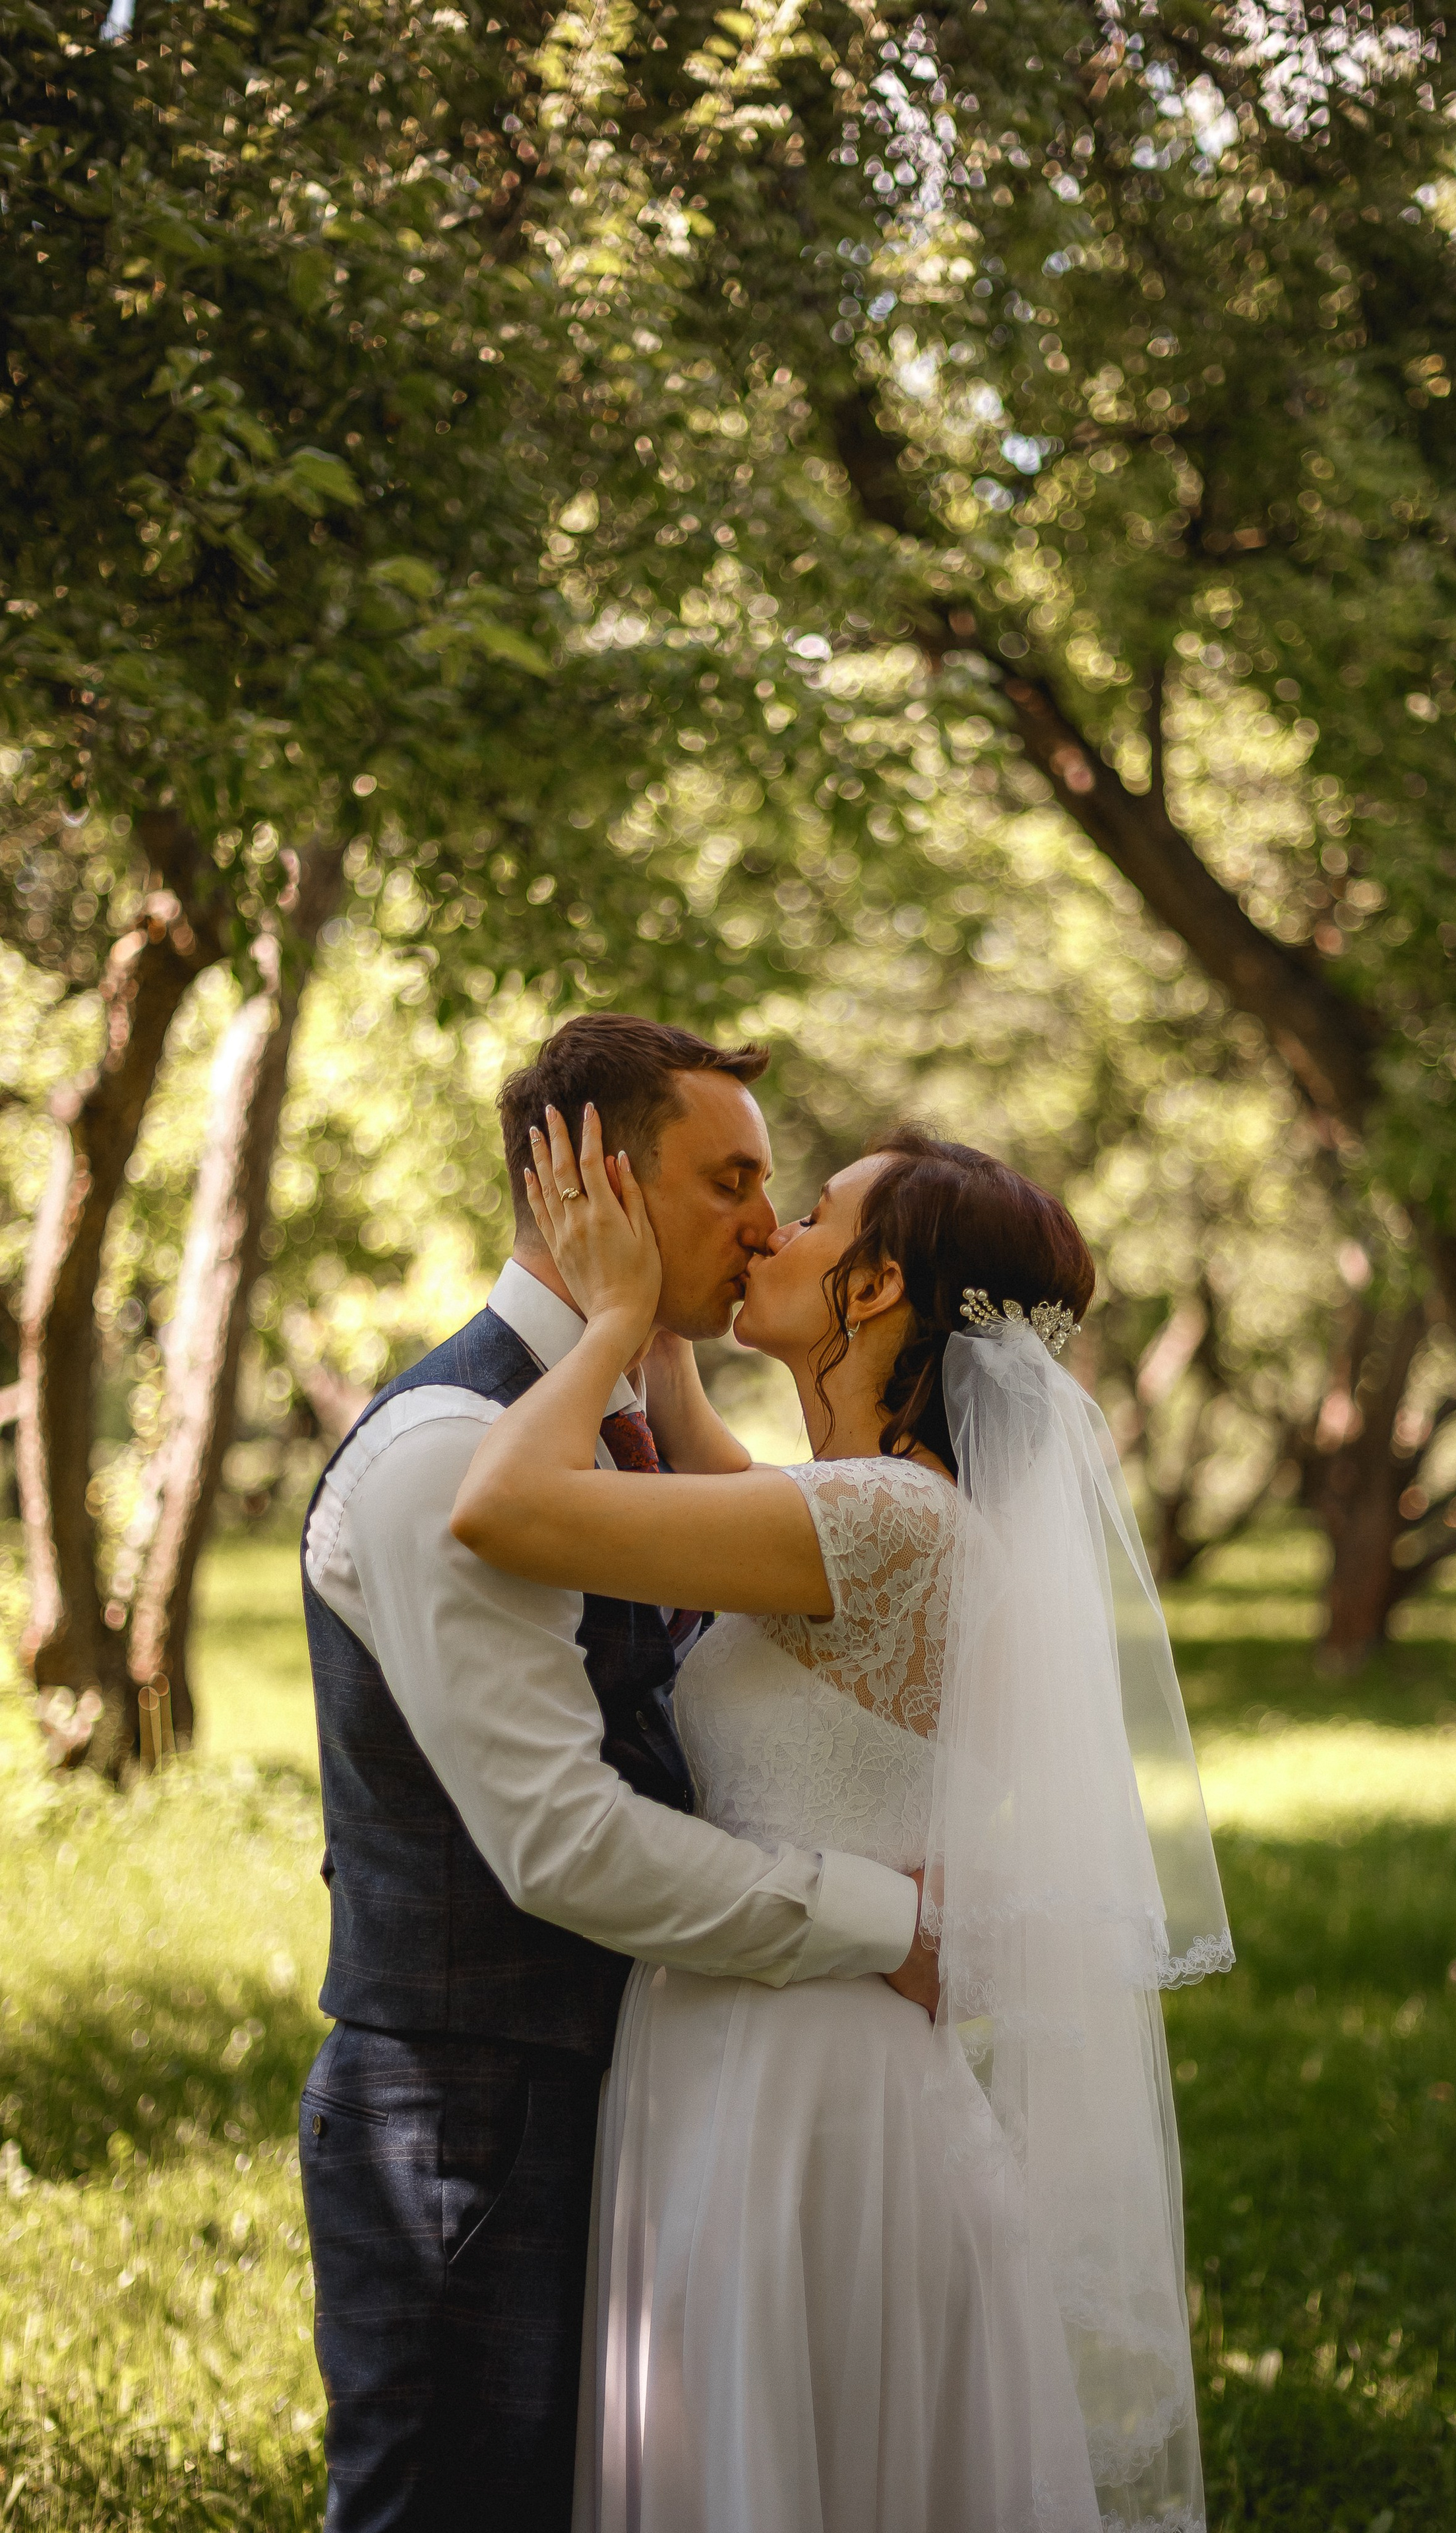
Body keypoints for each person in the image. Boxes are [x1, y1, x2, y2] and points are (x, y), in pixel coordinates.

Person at [452, 1105, 1234, 2532]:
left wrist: (616, 1306)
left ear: (873, 1290)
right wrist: (665, 1319)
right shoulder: (878, 1513)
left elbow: (500, 1503)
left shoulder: (885, 1525)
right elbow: (716, 1467)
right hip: (803, 2044)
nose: (768, 1228)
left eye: (806, 1213)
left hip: (788, 2076)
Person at [297, 1015, 937, 2533]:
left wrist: (632, 1342)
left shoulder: (635, 1430)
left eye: (775, 1189)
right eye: (728, 1180)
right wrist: (887, 1921)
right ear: (592, 1180)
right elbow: (564, 1846)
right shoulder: (446, 1445)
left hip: (626, 2100)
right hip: (467, 2124)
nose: (765, 1223)